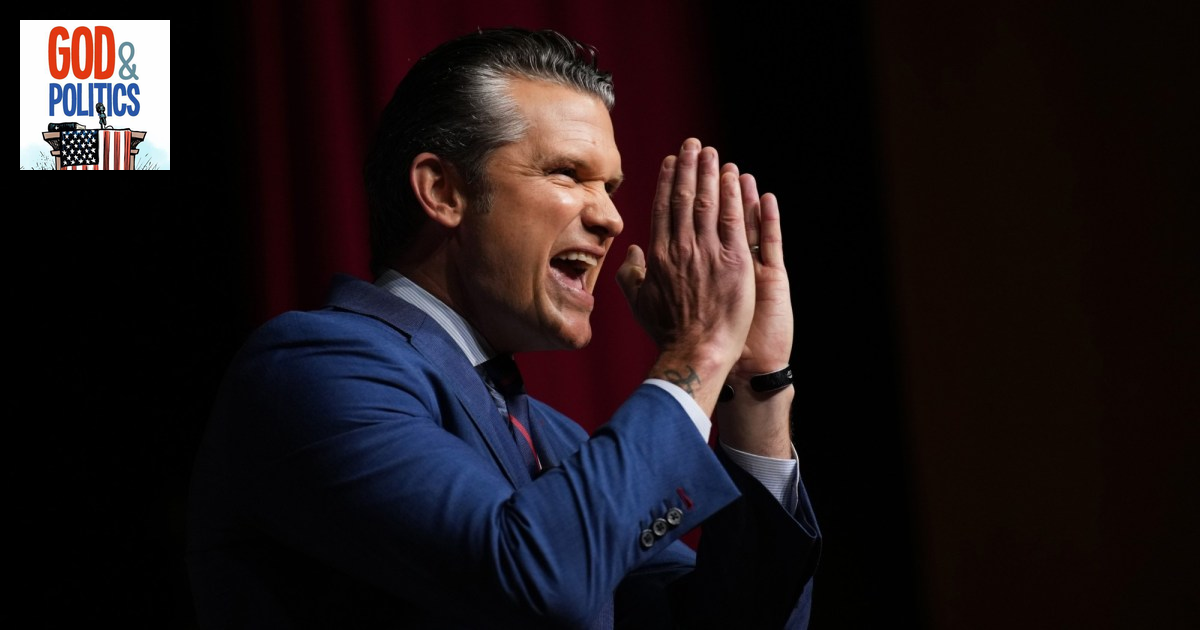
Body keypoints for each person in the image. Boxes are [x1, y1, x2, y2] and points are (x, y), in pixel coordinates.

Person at [187, 27, 820, 629]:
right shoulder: (314, 368)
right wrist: (700, 348)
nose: (610, 218)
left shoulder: (554, 438)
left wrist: (753, 383)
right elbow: (538, 576)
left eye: (609, 186)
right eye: (567, 173)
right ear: (443, 192)